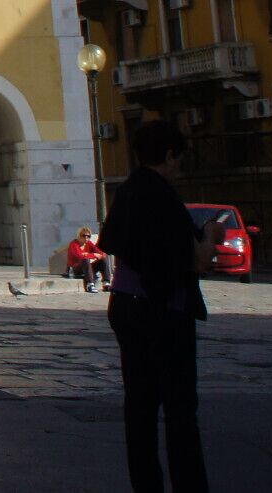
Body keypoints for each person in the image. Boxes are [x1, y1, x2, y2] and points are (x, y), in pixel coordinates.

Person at [98, 119, 225, 492]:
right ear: (169, 156)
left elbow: (114, 242)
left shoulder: (127, 192)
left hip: (125, 304)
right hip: (165, 310)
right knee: (180, 410)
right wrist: (210, 236)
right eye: (178, 159)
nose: (178, 166)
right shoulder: (165, 198)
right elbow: (195, 261)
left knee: (139, 408)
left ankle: (146, 485)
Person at [68, 225, 112, 292]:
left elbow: (101, 254)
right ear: (79, 236)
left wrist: (89, 254)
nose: (86, 238)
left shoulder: (88, 243)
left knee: (103, 259)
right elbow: (79, 256)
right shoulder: (74, 244)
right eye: (83, 236)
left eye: (88, 236)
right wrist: (93, 255)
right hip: (77, 269)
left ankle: (106, 283)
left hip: (87, 267)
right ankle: (90, 284)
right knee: (85, 260)